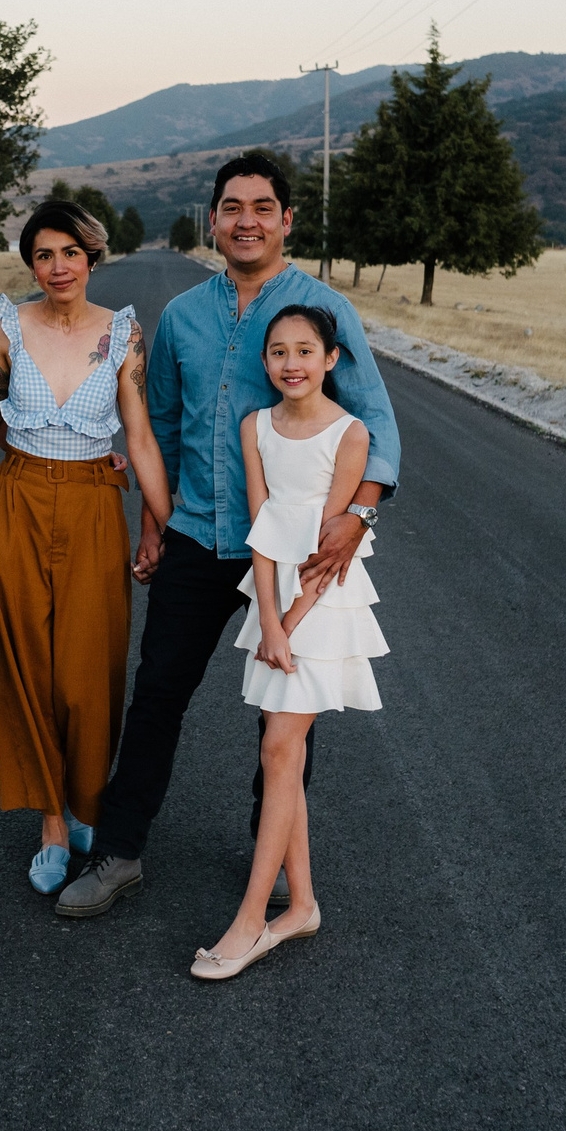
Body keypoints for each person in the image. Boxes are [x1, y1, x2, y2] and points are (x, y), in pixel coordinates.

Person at [56, 149, 401, 920]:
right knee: (157, 696)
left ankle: (273, 852)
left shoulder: (324, 310)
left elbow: (377, 423)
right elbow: (166, 431)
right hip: (197, 535)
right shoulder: (182, 315)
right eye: (233, 206)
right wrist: (152, 524)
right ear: (213, 219)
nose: (247, 220)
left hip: (291, 549)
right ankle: (119, 850)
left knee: (282, 714)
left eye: (262, 207)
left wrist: (360, 514)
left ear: (286, 219)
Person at [0, 201, 173, 894]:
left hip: (95, 503)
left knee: (89, 669)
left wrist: (164, 522)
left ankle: (88, 802)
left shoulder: (123, 334)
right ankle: (53, 828)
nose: (57, 266)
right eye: (43, 254)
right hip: (21, 500)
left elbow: (141, 436)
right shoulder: (6, 327)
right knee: (27, 662)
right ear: (30, 263)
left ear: (93, 257)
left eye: (70, 252)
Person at [193, 304, 384, 979]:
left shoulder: (351, 433)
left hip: (325, 600)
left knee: (279, 746)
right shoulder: (255, 428)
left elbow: (329, 551)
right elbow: (263, 525)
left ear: (331, 359)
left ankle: (252, 922)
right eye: (279, 351)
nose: (292, 362)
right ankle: (300, 903)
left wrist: (293, 622)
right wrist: (268, 622)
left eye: (306, 350)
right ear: (266, 362)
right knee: (283, 749)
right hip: (275, 603)